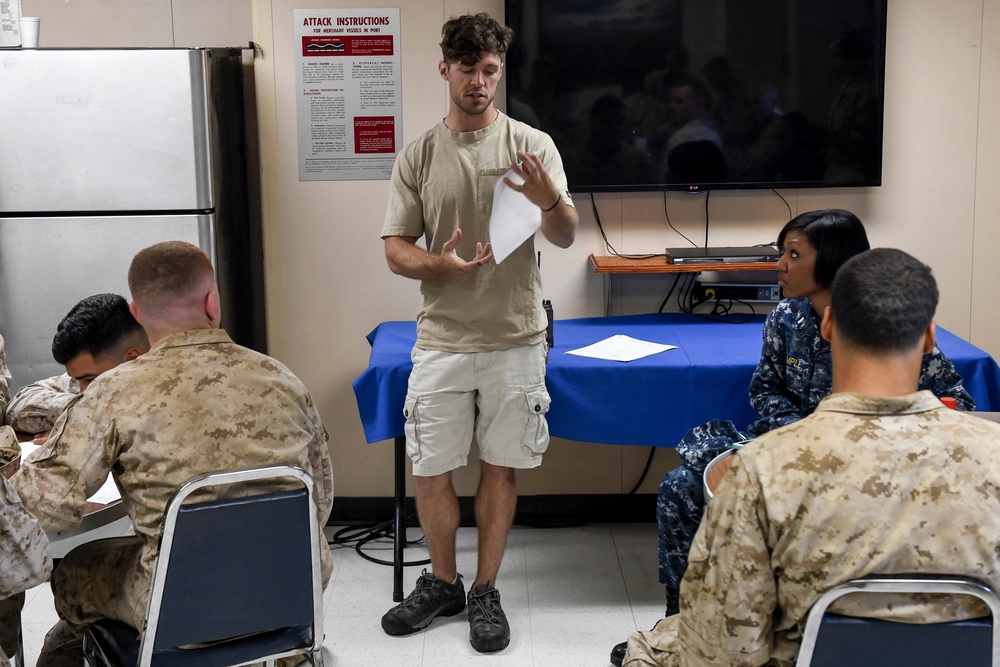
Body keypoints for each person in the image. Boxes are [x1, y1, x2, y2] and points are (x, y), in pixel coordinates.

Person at [610, 209, 974, 667]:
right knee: (682, 486)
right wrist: (797, 433)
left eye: (794, 254)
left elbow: (956, 404)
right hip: (793, 443)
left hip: (868, 463)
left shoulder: (887, 324)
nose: (780, 264)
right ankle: (678, 617)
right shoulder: (786, 317)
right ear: (929, 335)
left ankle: (686, 633)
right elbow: (766, 387)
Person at [12, 241, 334, 667]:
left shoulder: (112, 391)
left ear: (137, 313)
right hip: (294, 588)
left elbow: (41, 505)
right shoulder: (283, 378)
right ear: (212, 302)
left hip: (183, 604)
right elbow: (321, 498)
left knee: (74, 569)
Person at [378, 13, 578, 654]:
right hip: (442, 338)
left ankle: (485, 589)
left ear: (500, 70)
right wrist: (441, 263)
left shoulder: (532, 146)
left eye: (490, 69)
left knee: (500, 467)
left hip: (516, 338)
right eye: (467, 69)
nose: (479, 81)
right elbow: (395, 249)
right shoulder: (420, 155)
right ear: (445, 69)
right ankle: (443, 583)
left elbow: (567, 234)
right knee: (431, 469)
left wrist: (550, 199)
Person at [4, 293, 150, 441]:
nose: (83, 391)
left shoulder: (170, 384)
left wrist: (94, 434)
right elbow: (15, 409)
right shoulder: (99, 374)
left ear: (133, 358)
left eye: (89, 379)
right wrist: (80, 412)